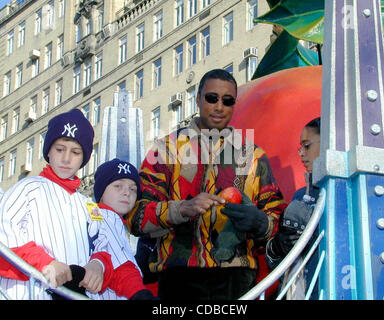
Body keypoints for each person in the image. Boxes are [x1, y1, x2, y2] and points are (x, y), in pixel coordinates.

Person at [126, 69, 286, 300]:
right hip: (179, 279)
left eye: (227, 100)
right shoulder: (165, 150)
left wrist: (261, 223)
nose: (219, 106)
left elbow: (278, 222)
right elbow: (135, 217)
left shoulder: (253, 156)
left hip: (237, 280)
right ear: (198, 99)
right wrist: (182, 209)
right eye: (212, 98)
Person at [0, 109, 95, 300]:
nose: (66, 158)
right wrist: (46, 263)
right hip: (25, 292)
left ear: (84, 159)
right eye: (60, 149)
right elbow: (4, 238)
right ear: (48, 151)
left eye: (75, 152)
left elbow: (105, 246)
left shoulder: (88, 205)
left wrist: (98, 265)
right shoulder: (28, 187)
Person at [78, 158, 155, 300]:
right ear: (101, 191)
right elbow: (120, 266)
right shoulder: (106, 216)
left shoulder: (110, 220)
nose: (127, 192)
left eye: (133, 188)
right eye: (118, 186)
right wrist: (139, 293)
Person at [266, 117, 321, 300]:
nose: (301, 154)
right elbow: (279, 264)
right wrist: (278, 246)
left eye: (307, 146)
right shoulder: (299, 196)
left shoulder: (353, 195)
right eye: (300, 147)